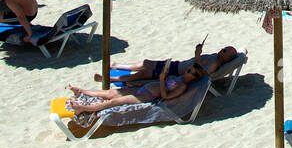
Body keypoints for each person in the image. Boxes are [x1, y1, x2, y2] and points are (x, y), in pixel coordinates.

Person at [66, 62, 209, 114]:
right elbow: (197, 63)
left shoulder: (182, 86)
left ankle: (83, 108)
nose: (187, 71)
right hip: (144, 88)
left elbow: (165, 97)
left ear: (194, 78)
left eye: (190, 72)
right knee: (111, 93)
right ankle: (80, 91)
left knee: (112, 102)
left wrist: (161, 80)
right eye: (188, 69)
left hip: (146, 96)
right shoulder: (180, 78)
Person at [96, 43, 238, 85]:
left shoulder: (215, 64)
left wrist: (197, 55)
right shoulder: (215, 57)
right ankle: (116, 65)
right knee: (146, 63)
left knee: (144, 73)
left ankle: (110, 79)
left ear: (227, 58)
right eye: (223, 48)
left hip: (175, 73)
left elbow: (198, 73)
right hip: (175, 65)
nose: (221, 49)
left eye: (225, 50)